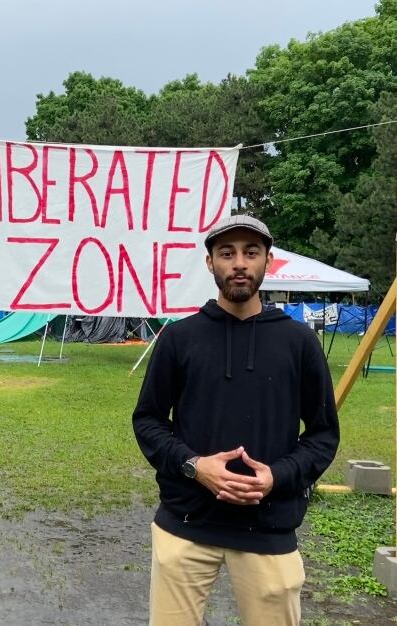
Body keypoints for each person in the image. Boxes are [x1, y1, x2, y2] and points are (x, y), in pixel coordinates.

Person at [132, 215, 340, 626]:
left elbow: (322, 435)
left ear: (268, 261)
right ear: (210, 263)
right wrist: (195, 467)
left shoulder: (298, 342)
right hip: (186, 525)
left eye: (251, 252)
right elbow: (149, 421)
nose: (239, 263)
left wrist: (276, 478)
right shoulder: (179, 338)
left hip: (268, 530)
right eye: (227, 253)